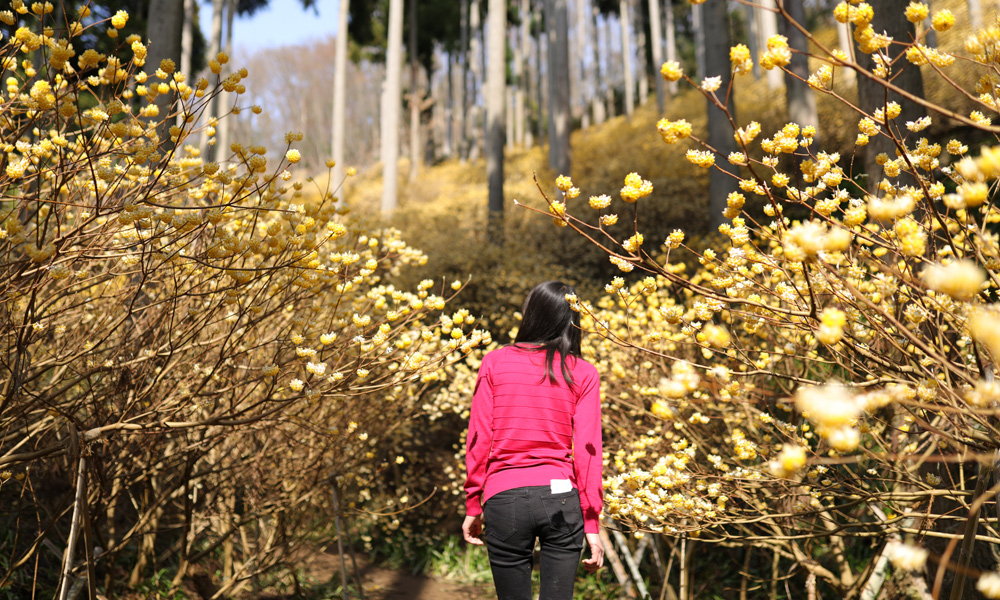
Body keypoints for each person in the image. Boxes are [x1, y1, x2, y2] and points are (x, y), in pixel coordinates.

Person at [462, 281, 604, 600]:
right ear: (572, 320)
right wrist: (592, 523)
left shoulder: (495, 363)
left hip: (504, 496)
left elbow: (479, 437)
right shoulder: (582, 372)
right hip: (562, 498)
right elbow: (588, 451)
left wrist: (473, 503)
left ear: (530, 315)